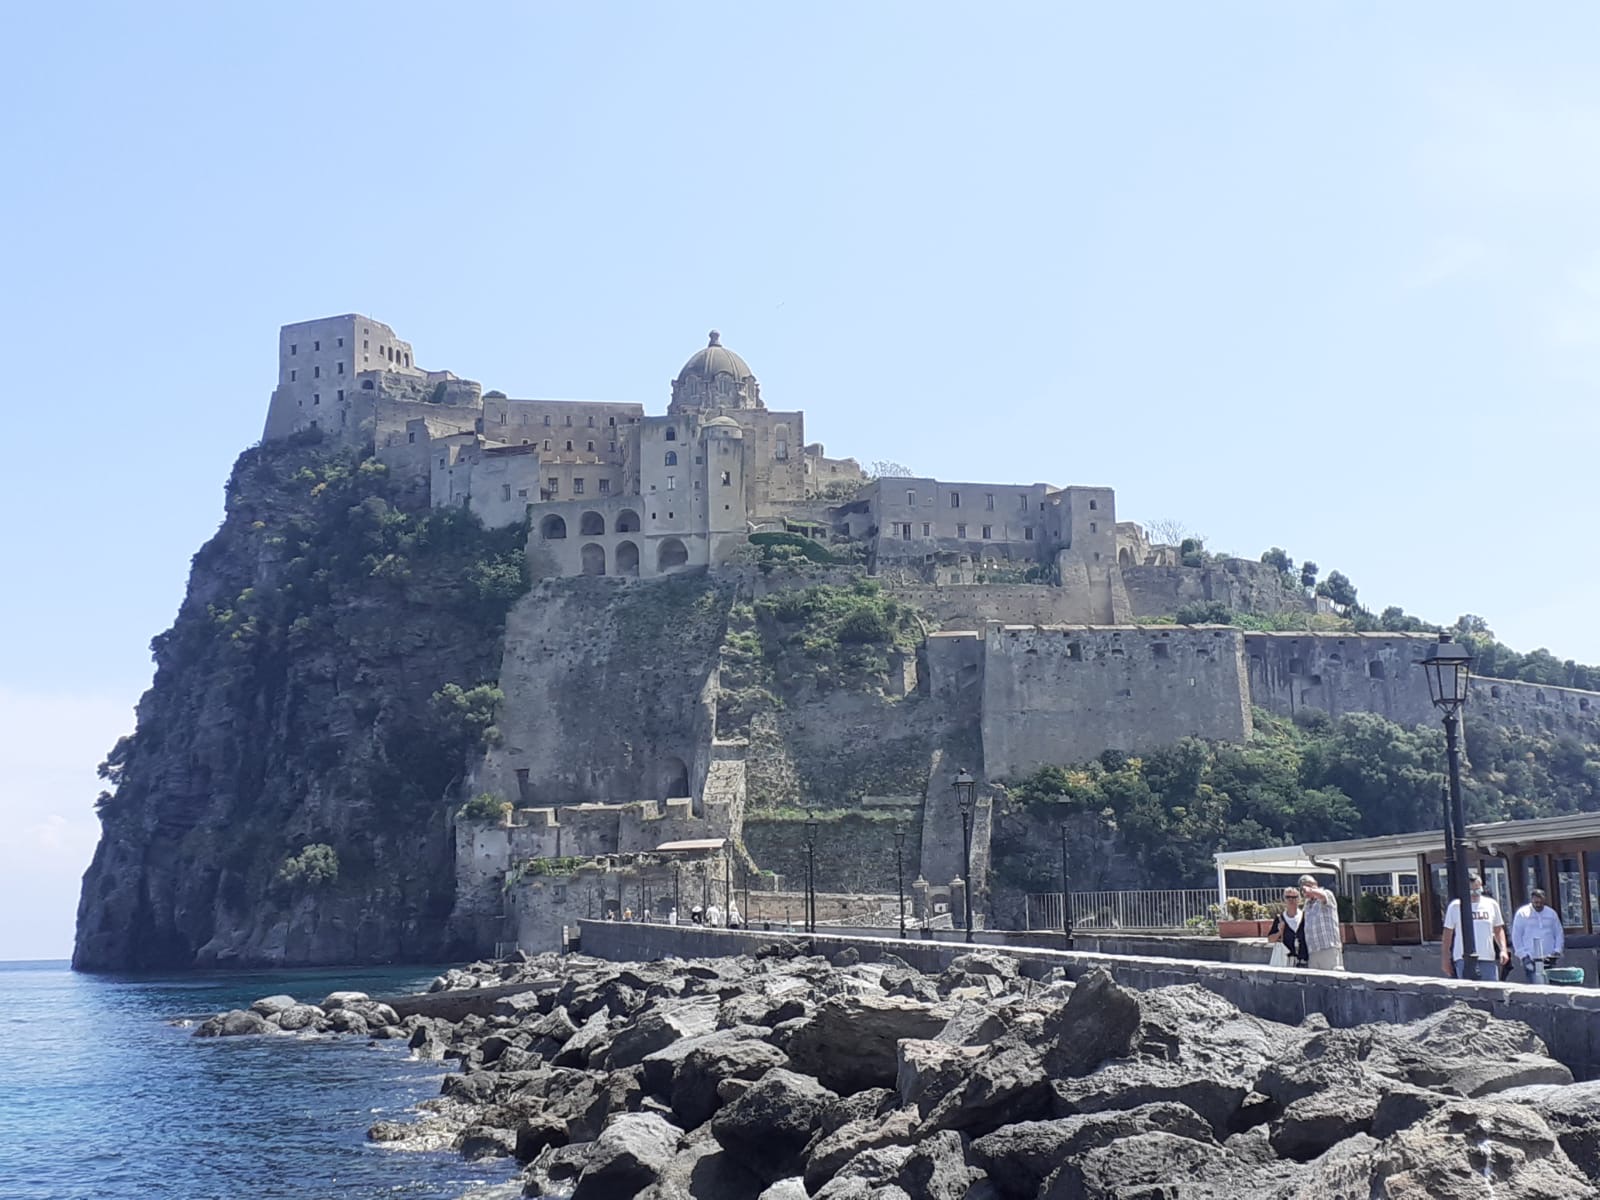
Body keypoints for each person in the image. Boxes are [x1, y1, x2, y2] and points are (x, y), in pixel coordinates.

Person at [1442, 872, 1509, 981]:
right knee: (1468, 993)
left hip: (1487, 957)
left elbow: (1498, 929)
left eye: (1478, 890)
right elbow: (1447, 934)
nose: (1475, 894)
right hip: (1463, 958)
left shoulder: (1491, 904)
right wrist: (1445, 959)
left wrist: (1503, 950)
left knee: (1491, 993)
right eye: (1471, 891)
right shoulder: (1455, 906)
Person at [1512, 888, 1565, 982]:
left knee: (1552, 986)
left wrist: (1557, 950)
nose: (1539, 905)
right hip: (1531, 958)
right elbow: (1516, 936)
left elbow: (1558, 933)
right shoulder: (1522, 913)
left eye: (1541, 902)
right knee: (1536, 987)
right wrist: (1523, 955)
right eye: (1536, 902)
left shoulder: (1551, 914)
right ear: (1532, 900)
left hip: (1549, 958)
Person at [1298, 875, 1343, 971]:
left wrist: (1311, 891)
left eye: (1309, 885)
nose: (1306, 890)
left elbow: (1322, 897)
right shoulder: (1307, 904)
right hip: (1313, 950)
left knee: (1331, 979)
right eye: (1303, 888)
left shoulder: (1327, 894)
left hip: (1328, 947)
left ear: (1316, 884)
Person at [1266, 886, 1309, 968]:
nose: (1291, 900)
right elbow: (1270, 939)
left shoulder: (1305, 916)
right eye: (1288, 897)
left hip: (1304, 960)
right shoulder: (1280, 918)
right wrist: (1280, 932)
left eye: (1294, 897)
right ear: (1284, 900)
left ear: (1299, 899)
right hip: (1286, 961)